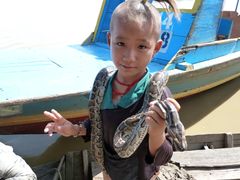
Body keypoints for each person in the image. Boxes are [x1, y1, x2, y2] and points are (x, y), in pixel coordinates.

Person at [43, 0, 186, 179]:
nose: (129, 56)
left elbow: (162, 157)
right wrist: (74, 129)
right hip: (109, 171)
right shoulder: (104, 84)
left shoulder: (159, 96)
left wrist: (157, 132)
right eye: (121, 43)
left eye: (142, 46)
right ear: (110, 40)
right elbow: (99, 124)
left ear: (156, 48)